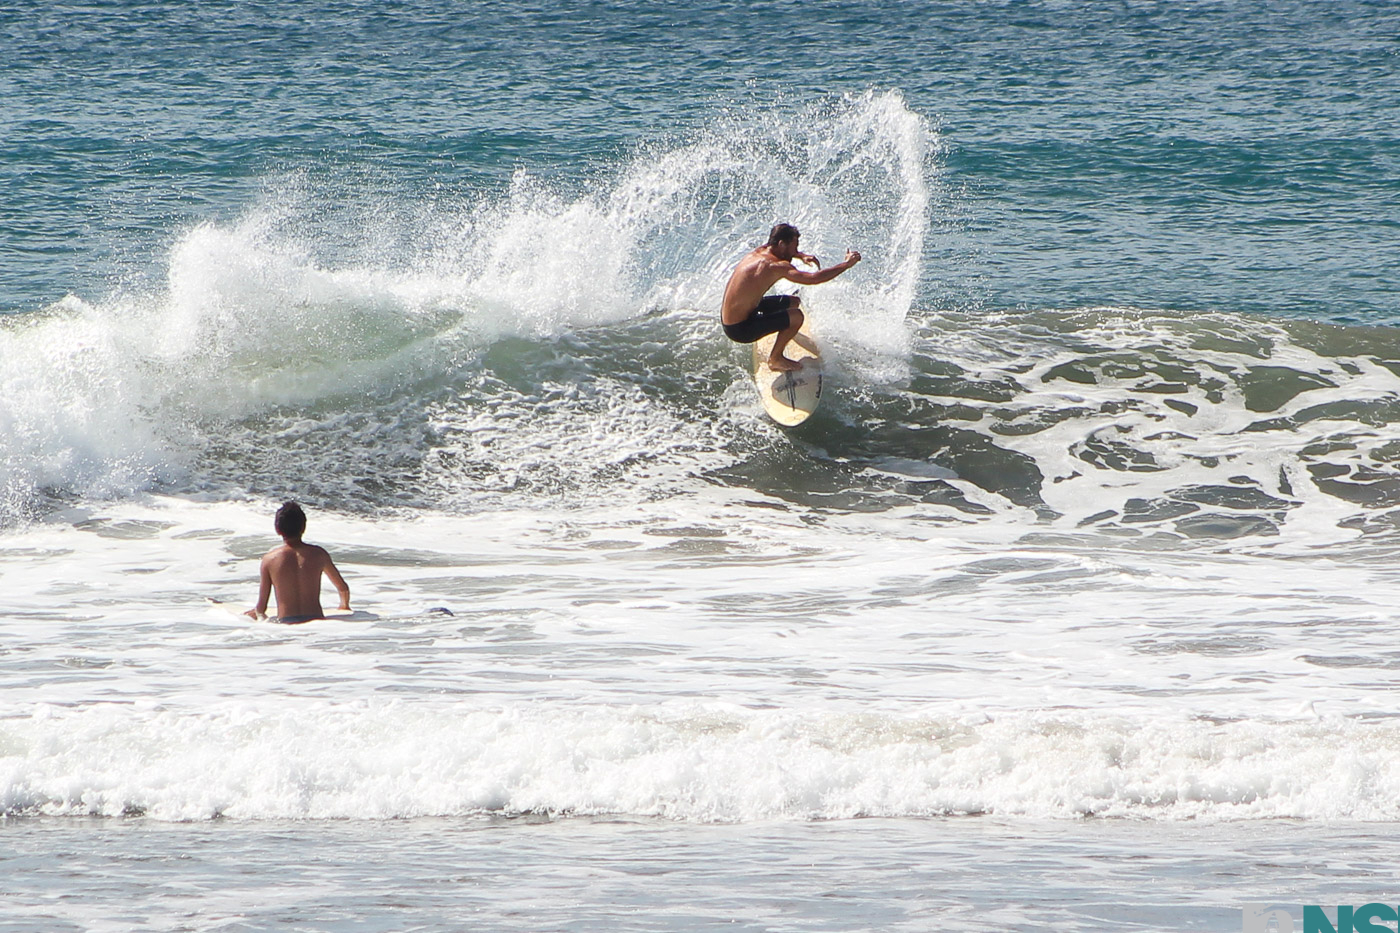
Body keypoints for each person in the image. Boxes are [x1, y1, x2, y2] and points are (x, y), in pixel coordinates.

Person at [721, 223, 861, 372]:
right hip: (739, 328)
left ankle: (783, 329)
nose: (796, 251)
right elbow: (814, 278)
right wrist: (846, 265)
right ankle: (775, 359)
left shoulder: (760, 252)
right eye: (794, 247)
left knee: (794, 302)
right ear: (782, 244)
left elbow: (787, 253)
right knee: (797, 316)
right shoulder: (775, 266)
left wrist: (801, 255)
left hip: (734, 315)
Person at [247, 501, 351, 624]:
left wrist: (257, 613)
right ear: (303, 527)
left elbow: (261, 609)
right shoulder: (319, 554)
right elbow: (343, 589)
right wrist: (344, 606)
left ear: (277, 529)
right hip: (317, 622)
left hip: (288, 625)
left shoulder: (269, 559)